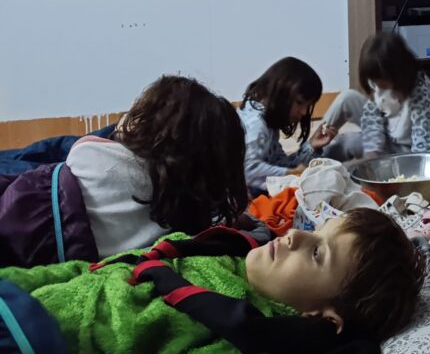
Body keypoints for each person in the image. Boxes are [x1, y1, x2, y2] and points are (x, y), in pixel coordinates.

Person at [0, 208, 426, 354]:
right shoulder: (206, 251)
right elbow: (87, 273)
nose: (295, 235)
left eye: (318, 254)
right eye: (313, 230)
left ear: (321, 318)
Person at [0, 75, 250, 265]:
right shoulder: (185, 218)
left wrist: (126, 127)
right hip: (73, 247)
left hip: (31, 213)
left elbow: (83, 147)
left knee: (51, 151)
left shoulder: (92, 151)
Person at [239, 57, 335, 194]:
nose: (303, 112)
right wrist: (291, 173)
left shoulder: (268, 122)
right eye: (299, 102)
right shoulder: (256, 124)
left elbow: (277, 163)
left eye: (307, 106)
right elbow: (247, 171)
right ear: (280, 93)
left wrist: (311, 146)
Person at [357, 32, 430, 158]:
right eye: (374, 81)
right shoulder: (375, 83)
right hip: (385, 141)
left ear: (398, 72)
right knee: (348, 142)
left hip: (407, 148)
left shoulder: (419, 90)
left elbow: (423, 135)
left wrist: (418, 162)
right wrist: (372, 154)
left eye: (381, 80)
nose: (377, 85)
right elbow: (371, 120)